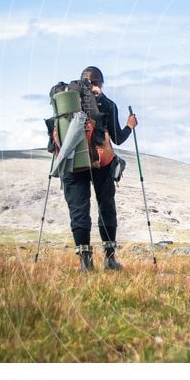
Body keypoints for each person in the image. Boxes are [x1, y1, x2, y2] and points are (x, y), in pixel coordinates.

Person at [62, 66, 137, 272]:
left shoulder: (67, 103)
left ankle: (85, 263)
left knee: (79, 209)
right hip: (101, 161)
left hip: (72, 161)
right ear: (100, 84)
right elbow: (118, 138)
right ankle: (110, 259)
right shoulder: (108, 105)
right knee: (106, 206)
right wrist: (130, 125)